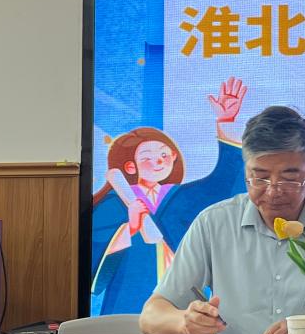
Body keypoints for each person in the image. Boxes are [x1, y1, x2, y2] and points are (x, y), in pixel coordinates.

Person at [139, 105, 305, 334]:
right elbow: (151, 316)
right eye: (259, 177)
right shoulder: (214, 222)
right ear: (245, 168)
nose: (273, 190)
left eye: (290, 178)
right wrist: (185, 322)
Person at [90, 78, 249, 315]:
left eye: (164, 155)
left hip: (183, 304)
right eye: (147, 158)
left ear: (174, 157)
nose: (158, 162)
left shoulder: (182, 197)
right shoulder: (115, 203)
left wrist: (225, 122)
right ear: (130, 166)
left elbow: (227, 186)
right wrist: (129, 228)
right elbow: (95, 265)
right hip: (128, 300)